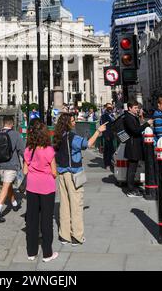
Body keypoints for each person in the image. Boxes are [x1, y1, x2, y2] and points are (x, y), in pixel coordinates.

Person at [53, 113, 107, 245]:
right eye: (72, 121)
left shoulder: (58, 137)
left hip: (62, 173)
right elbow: (88, 144)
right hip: (73, 174)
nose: (74, 122)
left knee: (64, 205)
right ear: (67, 123)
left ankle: (64, 235)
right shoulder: (73, 137)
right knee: (76, 205)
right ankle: (77, 236)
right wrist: (98, 131)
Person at [24, 122, 58, 262]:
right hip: (47, 188)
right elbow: (55, 172)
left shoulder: (28, 149)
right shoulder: (49, 150)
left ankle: (31, 252)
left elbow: (25, 170)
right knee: (46, 220)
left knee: (32, 220)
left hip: (32, 187)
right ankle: (47, 253)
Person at [0, 115, 25, 223]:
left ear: (3, 123)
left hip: (0, 165)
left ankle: (14, 204)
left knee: (7, 184)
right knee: (6, 186)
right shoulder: (16, 135)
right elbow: (22, 151)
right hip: (11, 165)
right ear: (12, 124)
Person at [123, 101, 154, 198]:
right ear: (130, 108)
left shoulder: (132, 117)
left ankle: (132, 188)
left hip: (135, 146)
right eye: (135, 108)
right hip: (132, 147)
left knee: (133, 168)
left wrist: (141, 118)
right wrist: (147, 124)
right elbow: (135, 131)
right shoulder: (128, 118)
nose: (137, 110)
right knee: (132, 169)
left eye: (137, 108)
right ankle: (130, 190)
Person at [100, 103, 116, 170]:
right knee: (109, 149)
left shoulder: (112, 115)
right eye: (108, 107)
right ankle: (107, 164)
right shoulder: (104, 116)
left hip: (112, 134)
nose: (110, 108)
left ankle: (109, 163)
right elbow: (103, 126)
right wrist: (106, 135)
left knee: (109, 149)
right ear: (106, 108)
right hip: (107, 135)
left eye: (111, 107)